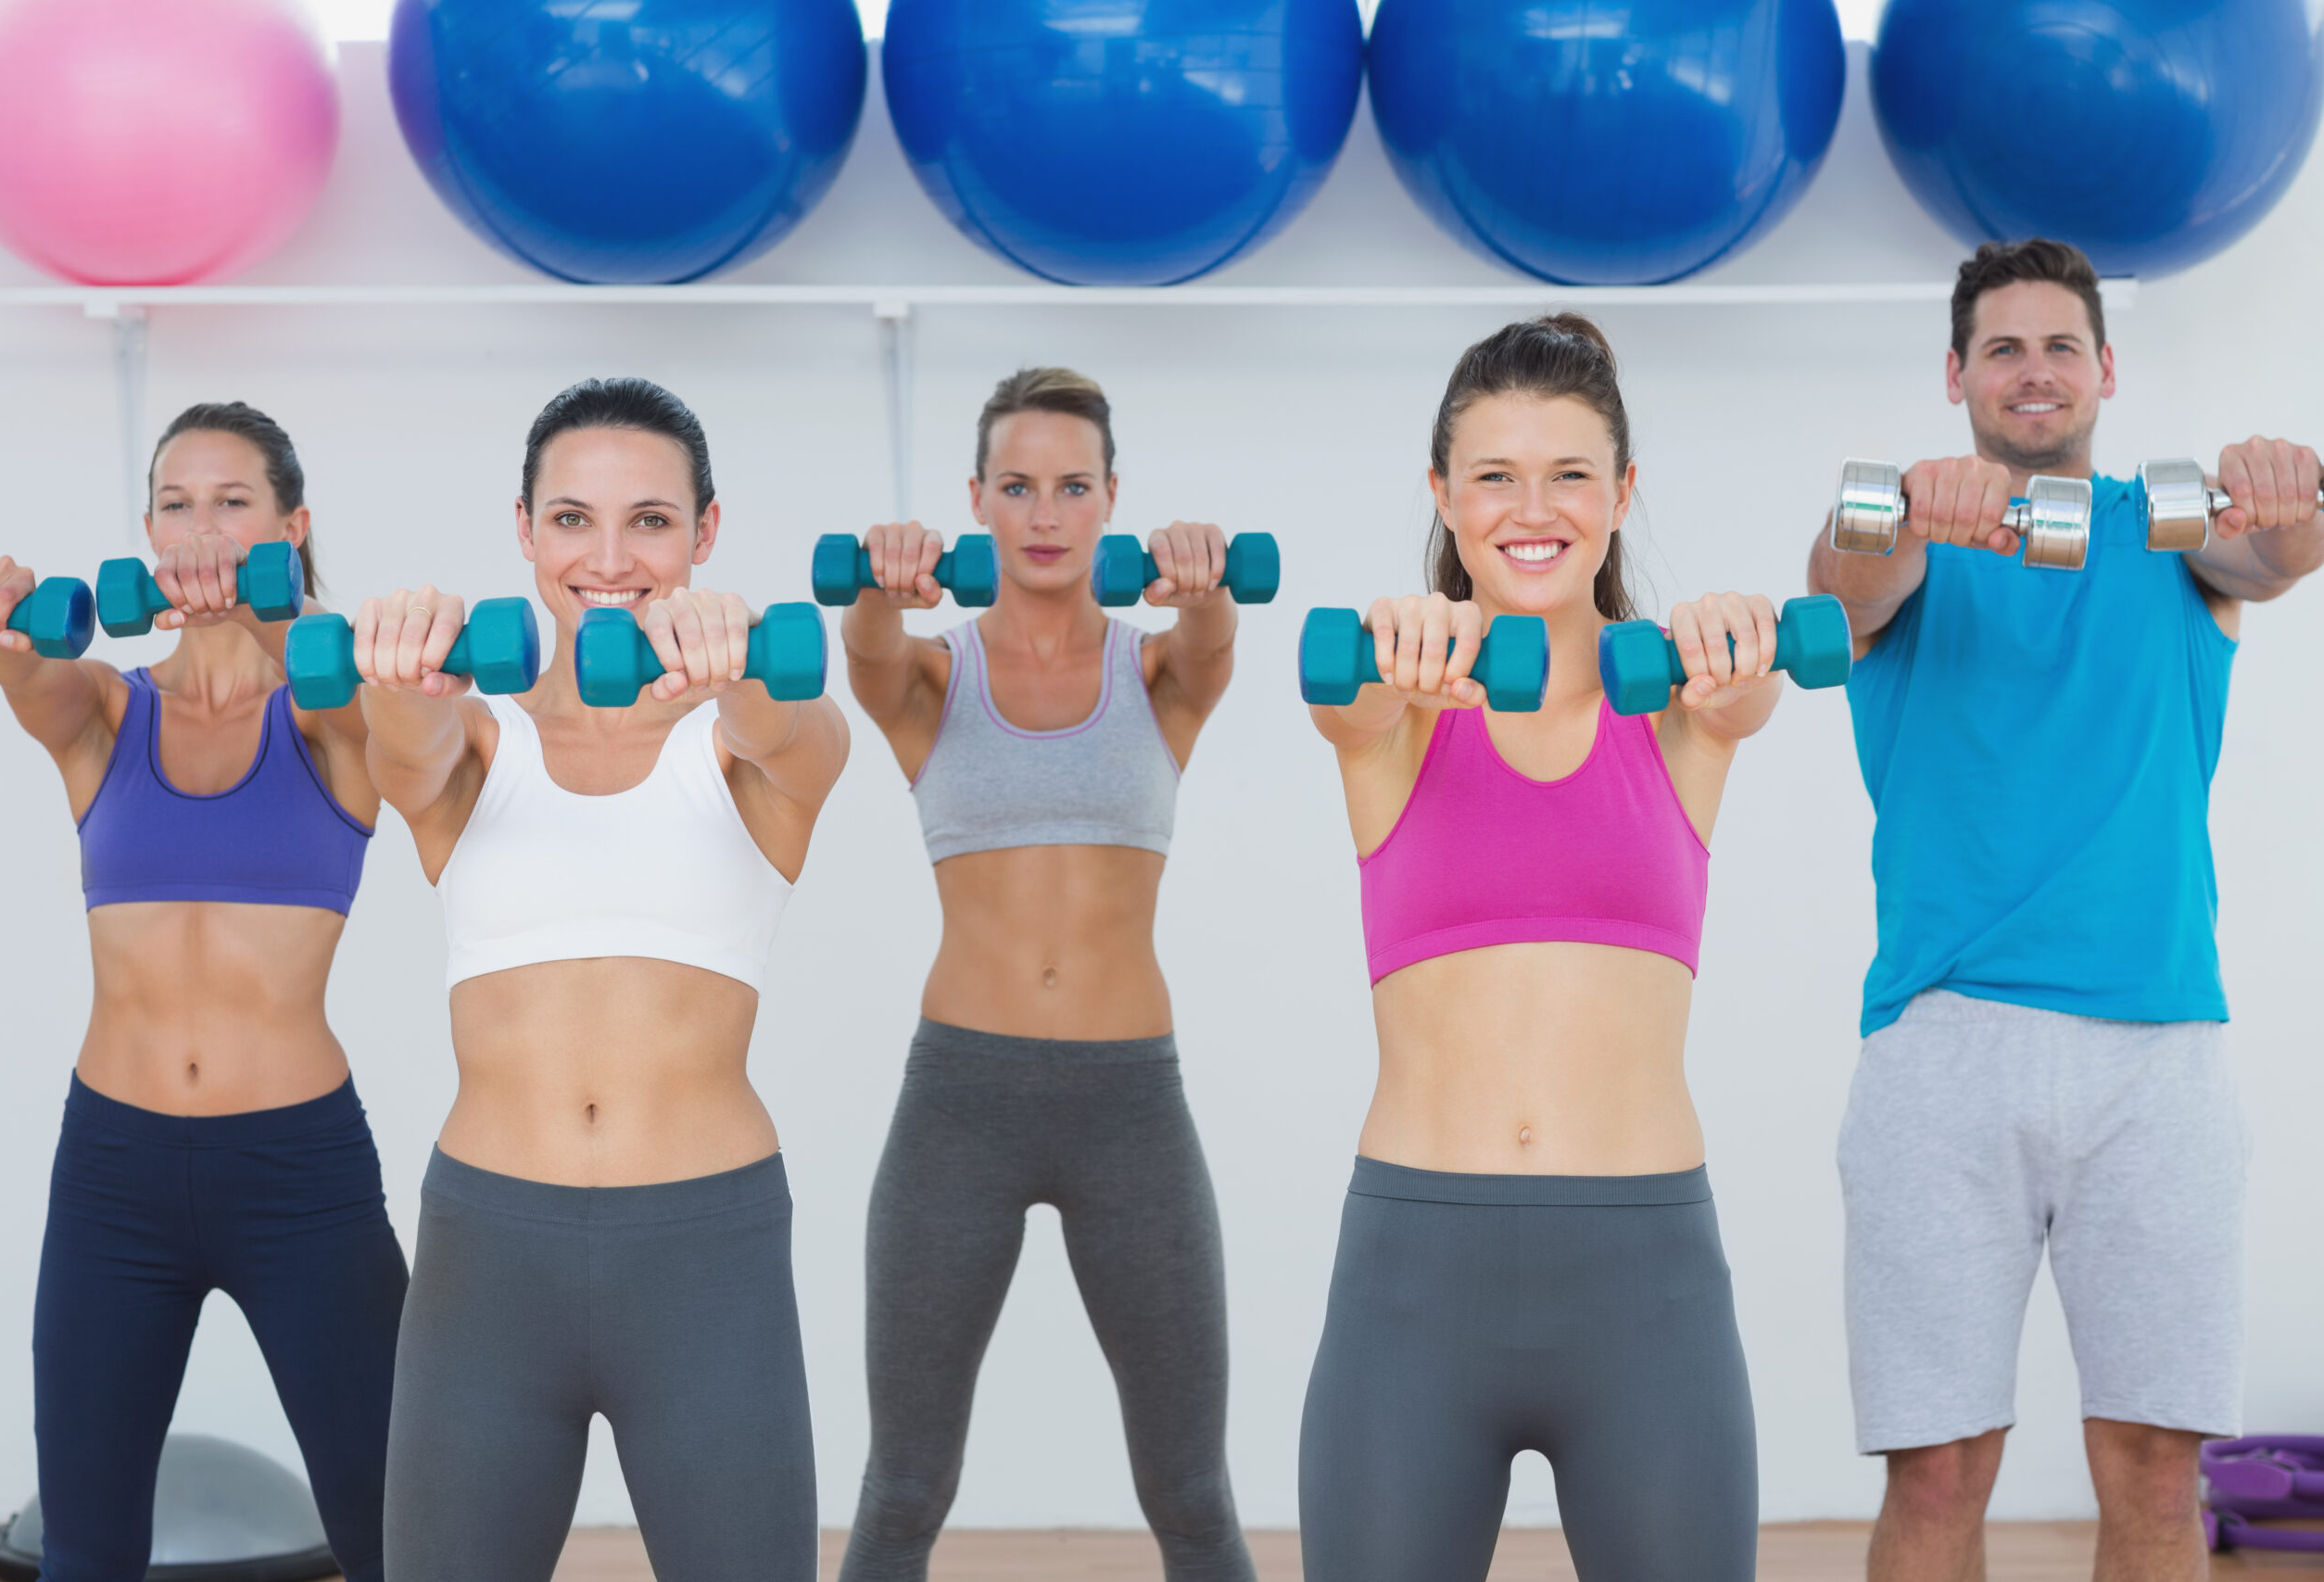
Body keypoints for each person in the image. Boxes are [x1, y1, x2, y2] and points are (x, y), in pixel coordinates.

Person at [1805, 237, 2323, 1581]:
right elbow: (1842, 581)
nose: (2032, 371)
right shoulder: (1907, 545)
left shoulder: (2176, 540)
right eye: (2002, 348)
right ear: (1956, 375)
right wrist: (1906, 512)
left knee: (2154, 1466)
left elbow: (2280, 554)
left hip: (2158, 1053)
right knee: (1937, 1467)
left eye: (2058, 347)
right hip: (1941, 1044)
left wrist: (2285, 486)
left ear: (2104, 370)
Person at [1298, 315, 1782, 1582]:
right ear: (1442, 495)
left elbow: (1747, 695)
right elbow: (1343, 701)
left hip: (1647, 1291)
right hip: (1414, 1285)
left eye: (1569, 473)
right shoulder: (1396, 706)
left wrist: (1738, 637)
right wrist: (1399, 641)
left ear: (1622, 494)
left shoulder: (1676, 702)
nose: (1533, 508)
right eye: (1494, 475)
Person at [351, 378, 848, 1582]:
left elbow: (789, 731)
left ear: (706, 532)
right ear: (525, 531)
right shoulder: (477, 734)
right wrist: (397, 674)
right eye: (573, 519)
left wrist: (736, 668)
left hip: (705, 1262)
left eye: (651, 521)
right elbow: (405, 752)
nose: (611, 559)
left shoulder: (751, 737)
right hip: (489, 1262)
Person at [0, 403, 403, 1582]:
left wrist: (271, 608)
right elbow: (15, 665)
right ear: (147, 533)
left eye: (232, 503)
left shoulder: (331, 711)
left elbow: (363, 700)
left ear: (292, 529)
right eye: (176, 504)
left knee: (395, 1531)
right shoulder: (108, 709)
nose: (201, 528)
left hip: (300, 1175)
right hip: (116, 1174)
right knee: (87, 1548)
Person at [835, 367, 1254, 1582]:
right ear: (976, 501)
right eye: (1017, 487)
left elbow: (1212, 638)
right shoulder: (931, 676)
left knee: (1190, 1490)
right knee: (904, 1485)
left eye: (1074, 486)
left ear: (1113, 499)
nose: (1046, 513)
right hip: (960, 1103)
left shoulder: (1159, 673)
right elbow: (868, 650)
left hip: (1131, 1107)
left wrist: (1205, 576)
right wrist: (878, 582)